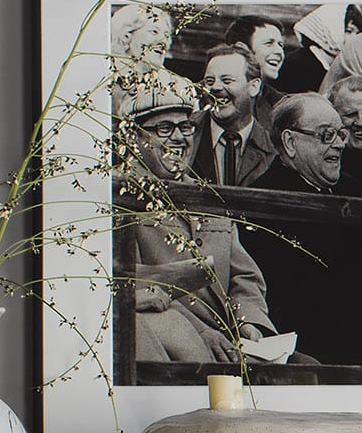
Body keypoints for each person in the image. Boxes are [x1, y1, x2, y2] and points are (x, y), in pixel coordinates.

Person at [244, 93, 362, 370]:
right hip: (311, 348)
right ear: (291, 142)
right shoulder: (264, 201)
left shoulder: (352, 190)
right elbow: (299, 302)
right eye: (327, 135)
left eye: (340, 133)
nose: (340, 144)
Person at [115, 75, 276, 372]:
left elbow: (245, 277)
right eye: (164, 128)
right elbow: (144, 292)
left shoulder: (207, 195)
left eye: (185, 126)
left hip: (233, 343)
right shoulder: (122, 199)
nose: (178, 137)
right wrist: (202, 332)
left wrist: (249, 324)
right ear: (132, 138)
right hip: (176, 337)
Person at [193, 44, 279, 188]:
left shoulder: (274, 147)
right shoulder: (187, 133)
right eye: (209, 81)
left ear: (254, 87)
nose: (216, 88)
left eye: (227, 80)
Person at [276, 4, 356, 99]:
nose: (355, 38)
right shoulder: (298, 65)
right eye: (349, 31)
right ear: (330, 30)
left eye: (357, 33)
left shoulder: (334, 65)